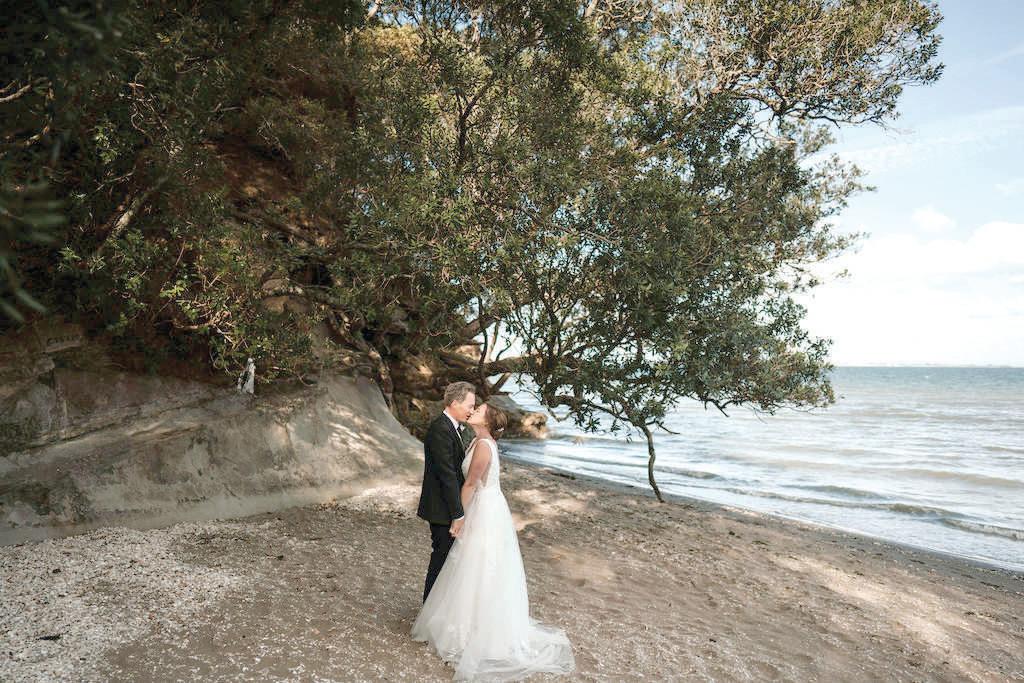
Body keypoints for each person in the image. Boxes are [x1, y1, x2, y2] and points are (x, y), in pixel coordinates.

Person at [412, 399, 576, 681]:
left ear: (487, 421)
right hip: (483, 505)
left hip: (485, 509)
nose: (474, 410)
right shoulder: (477, 441)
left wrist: (458, 517)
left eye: (479, 410)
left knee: (479, 563)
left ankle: (477, 626)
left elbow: (470, 483)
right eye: (474, 407)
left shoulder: (484, 445)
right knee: (470, 563)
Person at [417, 381, 477, 603]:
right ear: (454, 403)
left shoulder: (452, 427)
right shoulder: (440, 429)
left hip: (446, 505)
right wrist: (458, 513)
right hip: (441, 508)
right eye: (469, 406)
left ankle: (438, 608)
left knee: (447, 560)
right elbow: (447, 476)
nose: (472, 411)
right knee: (441, 560)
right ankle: (429, 609)